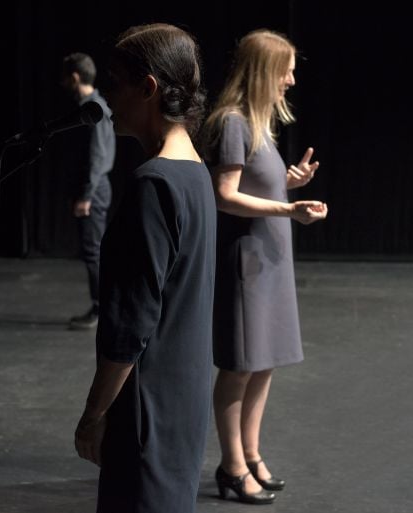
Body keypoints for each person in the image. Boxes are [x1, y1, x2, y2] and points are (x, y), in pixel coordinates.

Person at [74, 24, 216, 513]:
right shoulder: (196, 174)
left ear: (148, 88)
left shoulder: (154, 185)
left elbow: (129, 327)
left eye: (116, 83)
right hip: (184, 400)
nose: (109, 97)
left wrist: (94, 415)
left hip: (146, 410)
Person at [201, 29, 328, 504]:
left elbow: (252, 185)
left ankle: (251, 455)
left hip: (269, 260)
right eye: (285, 71)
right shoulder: (232, 123)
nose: (291, 80)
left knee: (263, 363)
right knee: (239, 367)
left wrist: (288, 183)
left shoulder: (257, 126)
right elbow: (224, 195)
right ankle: (232, 466)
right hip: (247, 263)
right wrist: (288, 210)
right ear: (263, 71)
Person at [59, 52, 116, 330]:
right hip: (94, 187)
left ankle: (101, 309)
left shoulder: (93, 109)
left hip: (95, 188)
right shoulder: (92, 105)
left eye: (64, 78)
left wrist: (86, 195)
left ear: (74, 77)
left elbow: (97, 156)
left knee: (94, 252)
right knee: (93, 251)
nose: (62, 83)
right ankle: (101, 307)